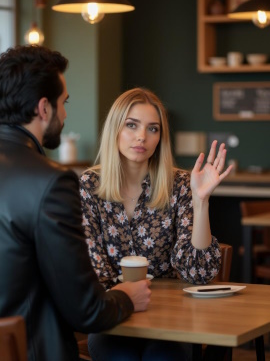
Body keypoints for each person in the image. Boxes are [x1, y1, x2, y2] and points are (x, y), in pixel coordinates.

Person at [0, 46, 151, 361]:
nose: (65, 114)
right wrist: (125, 296)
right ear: (44, 108)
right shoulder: (51, 182)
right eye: (63, 103)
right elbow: (87, 312)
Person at [79, 87, 233, 361]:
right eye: (131, 125)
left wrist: (200, 202)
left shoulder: (182, 184)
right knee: (120, 355)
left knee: (163, 356)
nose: (142, 137)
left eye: (153, 129)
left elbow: (197, 274)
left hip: (172, 317)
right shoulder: (89, 186)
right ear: (114, 129)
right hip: (113, 316)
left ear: (161, 138)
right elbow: (93, 271)